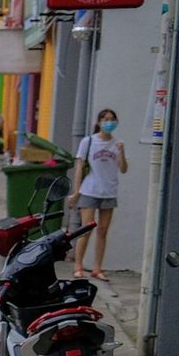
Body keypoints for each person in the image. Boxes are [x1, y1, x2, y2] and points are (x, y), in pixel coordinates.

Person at [71, 107, 128, 281]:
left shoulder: (117, 143)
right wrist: (76, 192)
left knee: (102, 231)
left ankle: (97, 268)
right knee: (86, 229)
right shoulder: (88, 142)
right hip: (90, 190)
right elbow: (79, 168)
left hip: (109, 191)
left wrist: (122, 152)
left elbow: (123, 169)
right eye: (105, 119)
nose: (109, 122)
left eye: (112, 119)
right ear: (99, 122)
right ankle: (78, 266)